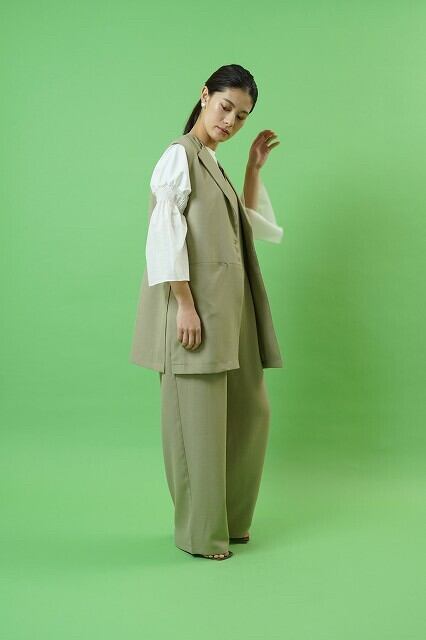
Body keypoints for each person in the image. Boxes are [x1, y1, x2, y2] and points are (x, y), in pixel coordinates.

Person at [130, 64, 284, 560]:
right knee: (197, 423)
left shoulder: (213, 163)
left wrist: (254, 168)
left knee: (248, 414)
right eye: (225, 107)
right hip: (194, 311)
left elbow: (246, 225)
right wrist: (184, 305)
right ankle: (201, 534)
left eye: (241, 115)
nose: (230, 121)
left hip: (231, 312)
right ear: (204, 96)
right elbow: (163, 235)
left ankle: (231, 521)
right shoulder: (179, 156)